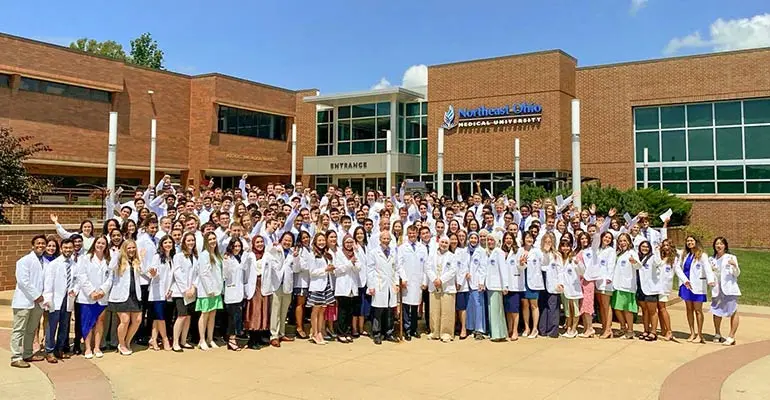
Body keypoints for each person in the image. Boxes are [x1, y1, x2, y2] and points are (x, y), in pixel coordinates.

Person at [10, 235, 48, 368]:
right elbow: (23, 281)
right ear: (32, 245)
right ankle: (16, 357)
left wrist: (43, 297)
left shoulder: (46, 262)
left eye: (43, 243)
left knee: (31, 329)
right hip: (24, 302)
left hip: (38, 303)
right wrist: (36, 295)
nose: (41, 245)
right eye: (38, 243)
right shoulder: (24, 261)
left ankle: (27, 353)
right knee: (19, 329)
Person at [106, 240, 144, 355]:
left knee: (137, 320)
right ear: (124, 249)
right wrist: (117, 254)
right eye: (129, 248)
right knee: (125, 320)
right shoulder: (118, 260)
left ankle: (127, 341)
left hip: (134, 295)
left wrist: (142, 258)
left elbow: (144, 271)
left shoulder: (136, 261)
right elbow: (110, 267)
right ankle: (121, 344)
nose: (131, 250)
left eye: (133, 248)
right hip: (121, 295)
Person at [76, 235, 111, 359]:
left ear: (106, 246)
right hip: (87, 297)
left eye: (103, 243)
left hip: (102, 297)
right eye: (98, 243)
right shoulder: (85, 259)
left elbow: (111, 278)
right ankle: (88, 348)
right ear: (94, 244)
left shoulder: (108, 260)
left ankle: (96, 347)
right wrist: (91, 292)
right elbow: (82, 277)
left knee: (100, 322)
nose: (100, 245)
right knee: (88, 323)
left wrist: (102, 291)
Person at [675, 235, 715, 344]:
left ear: (696, 242)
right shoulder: (684, 255)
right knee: (689, 309)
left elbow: (707, 269)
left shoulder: (702, 255)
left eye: (691, 240)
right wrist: (684, 280)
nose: (689, 243)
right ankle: (692, 332)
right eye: (688, 241)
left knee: (698, 310)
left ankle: (699, 334)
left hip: (697, 285)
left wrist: (710, 280)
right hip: (686, 285)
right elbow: (677, 267)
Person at [42, 238, 77, 362]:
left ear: (73, 249)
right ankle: (49, 350)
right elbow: (48, 283)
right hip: (55, 299)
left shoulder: (74, 264)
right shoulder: (54, 264)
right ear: (61, 249)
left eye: (70, 248)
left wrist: (75, 289)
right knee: (52, 326)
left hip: (68, 299)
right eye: (65, 248)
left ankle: (59, 349)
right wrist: (48, 299)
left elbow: (77, 280)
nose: (68, 250)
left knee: (64, 325)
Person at [263, 232, 298, 347]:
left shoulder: (293, 253)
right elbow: (267, 255)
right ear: (281, 240)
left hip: (287, 286)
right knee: (275, 312)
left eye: (290, 241)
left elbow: (297, 269)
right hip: (276, 285)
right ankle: (274, 335)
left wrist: (297, 257)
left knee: (284, 312)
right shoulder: (275, 250)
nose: (287, 243)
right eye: (285, 240)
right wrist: (273, 247)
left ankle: (282, 333)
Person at [367, 232, 399, 345]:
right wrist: (371, 286)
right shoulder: (373, 253)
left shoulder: (393, 252)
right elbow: (370, 270)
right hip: (378, 284)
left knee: (390, 311)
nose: (386, 240)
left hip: (391, 285)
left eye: (388, 239)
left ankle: (389, 333)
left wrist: (397, 283)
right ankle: (377, 333)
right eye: (384, 238)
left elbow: (396, 269)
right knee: (378, 311)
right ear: (380, 239)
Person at [196, 232, 224, 350]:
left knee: (212, 315)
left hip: (217, 290)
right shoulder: (204, 255)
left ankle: (210, 339)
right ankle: (202, 340)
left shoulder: (217, 255)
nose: (213, 241)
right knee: (204, 315)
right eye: (210, 239)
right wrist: (210, 289)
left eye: (214, 239)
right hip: (207, 291)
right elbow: (204, 273)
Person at [397, 225, 426, 341]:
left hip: (418, 281)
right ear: (407, 234)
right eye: (410, 233)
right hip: (407, 281)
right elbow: (399, 265)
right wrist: (403, 278)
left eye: (414, 233)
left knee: (415, 306)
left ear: (417, 233)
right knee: (405, 307)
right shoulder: (402, 248)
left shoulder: (422, 248)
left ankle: (414, 329)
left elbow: (426, 266)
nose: (412, 235)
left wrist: (424, 281)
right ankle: (407, 329)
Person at [425, 236, 457, 343]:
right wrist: (434, 279)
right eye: (442, 242)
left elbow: (453, 271)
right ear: (439, 243)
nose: (444, 244)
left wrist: (441, 280)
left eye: (446, 243)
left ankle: (446, 333)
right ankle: (434, 332)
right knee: (434, 310)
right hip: (434, 285)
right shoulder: (432, 255)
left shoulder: (452, 256)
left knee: (447, 311)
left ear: (449, 245)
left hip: (447, 287)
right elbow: (427, 268)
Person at [710, 237, 741, 346]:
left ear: (725, 246)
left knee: (733, 311)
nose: (719, 246)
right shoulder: (711, 259)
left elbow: (737, 274)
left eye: (721, 244)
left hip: (729, 289)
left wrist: (734, 265)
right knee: (716, 311)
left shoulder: (731, 257)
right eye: (717, 244)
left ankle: (731, 336)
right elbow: (709, 274)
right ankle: (717, 333)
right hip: (717, 289)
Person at [611, 233, 641, 340]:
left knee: (627, 309)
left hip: (626, 285)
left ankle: (630, 330)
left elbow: (639, 266)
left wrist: (634, 262)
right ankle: (623, 327)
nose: (622, 243)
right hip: (616, 284)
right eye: (620, 241)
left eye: (624, 240)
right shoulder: (618, 253)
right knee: (617, 308)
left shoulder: (632, 253)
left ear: (629, 241)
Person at [171, 232, 198, 352]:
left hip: (192, 291)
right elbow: (177, 273)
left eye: (192, 240)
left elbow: (197, 274)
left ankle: (183, 340)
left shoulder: (196, 257)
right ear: (184, 242)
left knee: (188, 317)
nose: (191, 243)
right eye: (188, 240)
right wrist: (185, 289)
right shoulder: (178, 256)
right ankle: (175, 342)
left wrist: (193, 287)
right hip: (180, 292)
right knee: (181, 316)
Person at [146, 236, 174, 351]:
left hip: (167, 291)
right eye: (165, 242)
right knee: (161, 317)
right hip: (157, 292)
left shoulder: (172, 258)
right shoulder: (157, 257)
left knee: (157, 317)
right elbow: (153, 271)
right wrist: (153, 273)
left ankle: (153, 339)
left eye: (170, 242)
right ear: (161, 244)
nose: (168, 244)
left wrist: (170, 289)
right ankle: (165, 339)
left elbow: (172, 276)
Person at [243, 235, 270, 349]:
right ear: (253, 244)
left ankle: (259, 338)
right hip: (253, 287)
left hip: (264, 285)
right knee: (254, 312)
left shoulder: (268, 255)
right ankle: (252, 340)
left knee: (263, 312)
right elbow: (244, 268)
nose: (259, 244)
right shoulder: (250, 255)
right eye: (257, 242)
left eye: (261, 242)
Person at [334, 235, 361, 343]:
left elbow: (359, 267)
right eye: (347, 242)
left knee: (350, 311)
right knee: (342, 311)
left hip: (352, 286)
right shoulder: (339, 253)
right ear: (343, 243)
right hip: (343, 286)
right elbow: (337, 270)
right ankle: (340, 333)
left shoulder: (355, 253)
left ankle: (348, 332)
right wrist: (350, 263)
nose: (349, 244)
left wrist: (353, 264)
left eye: (351, 242)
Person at [222, 238, 248, 351]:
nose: (237, 248)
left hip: (239, 292)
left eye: (239, 246)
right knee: (232, 318)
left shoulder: (240, 258)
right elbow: (226, 275)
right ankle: (231, 340)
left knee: (237, 317)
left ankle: (234, 339)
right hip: (231, 291)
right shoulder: (228, 258)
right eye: (235, 246)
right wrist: (226, 262)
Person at [308, 233, 334, 345]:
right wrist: (325, 269)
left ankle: (319, 332)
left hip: (326, 285)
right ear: (315, 242)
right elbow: (312, 272)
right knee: (316, 310)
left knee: (323, 310)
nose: (322, 242)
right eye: (319, 240)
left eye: (323, 240)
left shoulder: (326, 254)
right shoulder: (312, 254)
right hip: (317, 286)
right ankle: (315, 333)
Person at [517, 232, 543, 339]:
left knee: (534, 305)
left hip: (534, 281)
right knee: (525, 305)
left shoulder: (537, 251)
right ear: (523, 239)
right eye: (527, 237)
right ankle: (527, 327)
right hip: (522, 281)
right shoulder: (520, 250)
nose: (529, 239)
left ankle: (535, 328)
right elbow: (518, 266)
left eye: (531, 238)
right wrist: (522, 264)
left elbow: (544, 262)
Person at [484, 234, 509, 342]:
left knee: (496, 311)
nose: (490, 242)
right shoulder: (489, 253)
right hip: (490, 286)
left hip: (497, 285)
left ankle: (497, 334)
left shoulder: (499, 252)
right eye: (488, 240)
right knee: (493, 310)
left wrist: (505, 285)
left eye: (492, 240)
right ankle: (498, 333)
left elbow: (503, 269)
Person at [556, 238, 583, 338]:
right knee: (567, 310)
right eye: (563, 246)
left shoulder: (573, 258)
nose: (565, 248)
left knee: (574, 309)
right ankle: (568, 328)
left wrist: (578, 264)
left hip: (573, 288)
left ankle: (574, 328)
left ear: (570, 247)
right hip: (564, 288)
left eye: (567, 246)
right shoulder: (559, 258)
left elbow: (582, 272)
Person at [594, 232, 617, 339]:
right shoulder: (598, 250)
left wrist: (609, 278)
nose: (607, 239)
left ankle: (608, 329)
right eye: (605, 237)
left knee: (606, 306)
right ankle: (604, 327)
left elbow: (611, 265)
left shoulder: (611, 251)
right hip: (597, 280)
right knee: (601, 306)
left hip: (606, 282)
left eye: (609, 238)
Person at [502, 232, 524, 341]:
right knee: (508, 309)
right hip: (504, 285)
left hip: (514, 284)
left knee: (514, 309)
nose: (508, 240)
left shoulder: (518, 251)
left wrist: (521, 263)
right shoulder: (501, 252)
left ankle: (515, 331)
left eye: (510, 238)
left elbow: (522, 267)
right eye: (506, 238)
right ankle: (509, 329)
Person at [636, 241, 660, 341]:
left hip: (651, 289)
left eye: (646, 247)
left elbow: (658, 262)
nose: (644, 248)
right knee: (644, 311)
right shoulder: (639, 258)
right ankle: (646, 330)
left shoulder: (653, 257)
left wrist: (657, 251)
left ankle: (653, 332)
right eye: (642, 247)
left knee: (652, 311)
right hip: (640, 288)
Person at [539, 232, 561, 338]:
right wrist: (545, 252)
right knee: (543, 306)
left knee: (553, 306)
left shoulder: (557, 255)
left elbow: (560, 271)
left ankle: (553, 331)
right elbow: (542, 264)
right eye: (545, 242)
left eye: (549, 242)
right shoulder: (539, 253)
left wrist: (560, 283)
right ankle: (543, 329)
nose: (547, 244)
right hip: (542, 281)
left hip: (553, 283)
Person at [465, 232, 487, 339]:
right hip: (467, 283)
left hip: (477, 283)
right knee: (470, 306)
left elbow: (483, 268)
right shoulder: (465, 251)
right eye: (471, 238)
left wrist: (481, 282)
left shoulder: (481, 251)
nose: (473, 240)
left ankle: (479, 329)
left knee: (478, 305)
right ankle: (470, 327)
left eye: (475, 238)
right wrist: (466, 273)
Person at [656, 239, 678, 341]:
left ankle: (669, 331)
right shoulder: (660, 257)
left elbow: (678, 271)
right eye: (664, 245)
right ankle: (663, 330)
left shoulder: (673, 259)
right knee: (659, 309)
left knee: (662, 308)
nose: (666, 247)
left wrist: (686, 281)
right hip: (656, 286)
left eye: (668, 245)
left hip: (664, 287)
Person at [293, 231, 312, 339]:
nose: (306, 239)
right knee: (300, 304)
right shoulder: (299, 250)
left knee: (304, 304)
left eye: (307, 237)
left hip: (308, 280)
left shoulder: (309, 249)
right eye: (303, 238)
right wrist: (312, 267)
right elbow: (299, 266)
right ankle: (299, 327)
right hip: (301, 282)